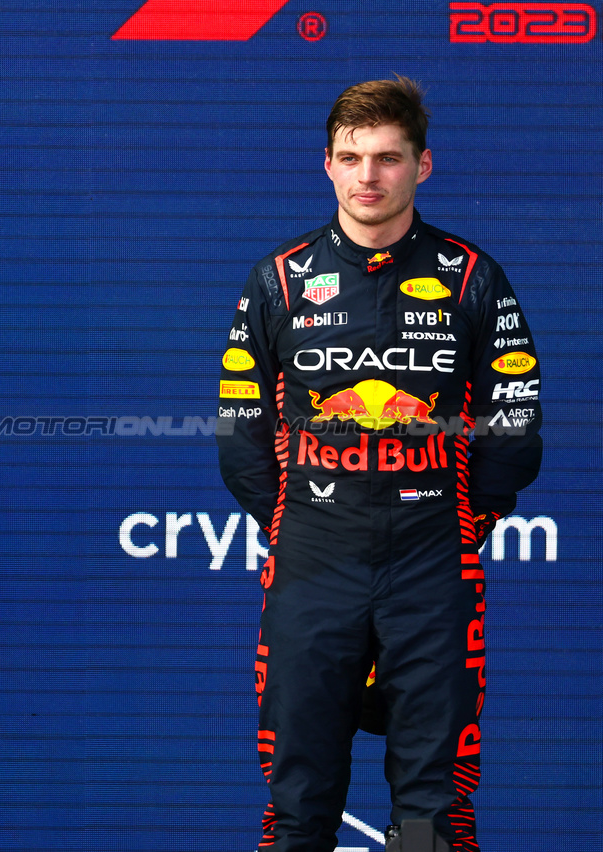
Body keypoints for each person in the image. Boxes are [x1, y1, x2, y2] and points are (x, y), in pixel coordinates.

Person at [216, 77, 541, 852]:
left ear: (422, 166)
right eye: (352, 157)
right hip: (312, 564)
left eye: (388, 158)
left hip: (433, 560)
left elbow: (516, 425)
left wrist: (462, 522)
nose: (369, 176)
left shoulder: (472, 276)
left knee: (433, 817)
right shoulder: (279, 280)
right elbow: (240, 433)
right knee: (297, 810)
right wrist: (299, 521)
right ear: (326, 164)